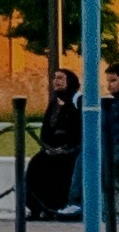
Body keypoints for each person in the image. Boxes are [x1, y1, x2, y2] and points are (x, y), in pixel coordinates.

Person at [23, 66, 84, 222]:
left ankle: (57, 207)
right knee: (36, 165)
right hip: (51, 150)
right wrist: (48, 147)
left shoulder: (78, 101)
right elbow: (46, 129)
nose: (56, 81)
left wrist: (64, 148)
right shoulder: (54, 102)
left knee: (61, 169)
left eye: (61, 78)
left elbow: (79, 130)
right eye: (55, 78)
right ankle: (37, 208)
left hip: (70, 150)